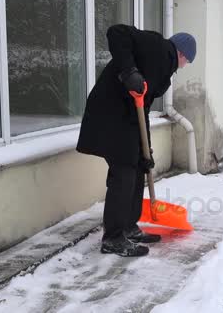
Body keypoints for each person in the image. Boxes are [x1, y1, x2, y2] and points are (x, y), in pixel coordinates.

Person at [77, 25, 196, 257]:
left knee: (138, 167)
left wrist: (146, 150)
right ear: (182, 53)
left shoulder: (162, 68)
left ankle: (129, 228)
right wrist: (129, 71)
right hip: (109, 116)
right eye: (187, 62)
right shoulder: (158, 47)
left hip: (126, 120)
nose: (183, 66)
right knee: (123, 172)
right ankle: (112, 238)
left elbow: (144, 107)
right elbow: (116, 32)